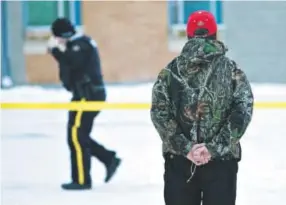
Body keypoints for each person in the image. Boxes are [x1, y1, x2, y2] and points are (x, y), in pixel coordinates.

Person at [150, 10, 254, 205]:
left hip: (179, 161)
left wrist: (186, 148)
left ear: (189, 34)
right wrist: (213, 148)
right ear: (214, 33)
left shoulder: (169, 72)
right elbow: (243, 110)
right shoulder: (232, 70)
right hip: (221, 162)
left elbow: (159, 113)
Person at [47, 18, 121, 190]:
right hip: (83, 96)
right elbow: (70, 68)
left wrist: (56, 52)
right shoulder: (77, 45)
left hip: (87, 97)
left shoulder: (80, 45)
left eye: (57, 37)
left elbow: (72, 63)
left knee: (76, 136)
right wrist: (59, 52)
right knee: (77, 135)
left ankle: (81, 179)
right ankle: (108, 158)